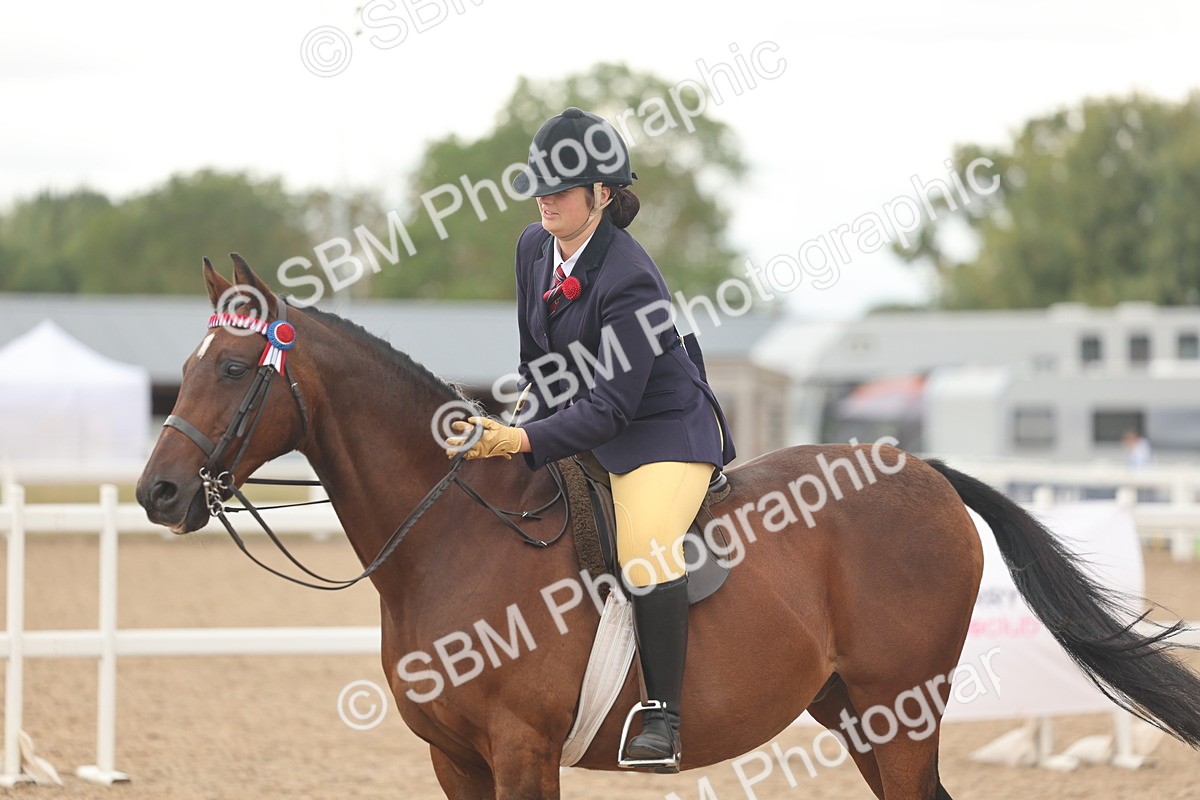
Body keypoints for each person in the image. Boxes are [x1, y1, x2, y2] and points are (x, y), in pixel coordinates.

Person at [444, 107, 736, 772]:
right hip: (581, 414)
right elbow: (538, 361)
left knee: (644, 547)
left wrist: (522, 439)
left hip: (659, 431)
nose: (544, 200)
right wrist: (517, 420)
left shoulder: (630, 278)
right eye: (539, 187)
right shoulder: (533, 247)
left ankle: (663, 717)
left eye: (560, 189)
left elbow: (611, 410)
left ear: (602, 193)